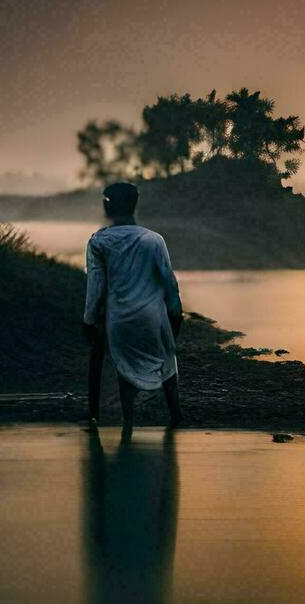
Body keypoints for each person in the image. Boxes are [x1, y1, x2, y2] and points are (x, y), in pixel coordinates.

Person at [84, 181, 184, 436]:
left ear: (108, 206)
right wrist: (176, 313)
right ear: (134, 204)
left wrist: (89, 320)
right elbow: (169, 282)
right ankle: (176, 415)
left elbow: (96, 286)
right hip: (153, 317)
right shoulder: (154, 240)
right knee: (168, 358)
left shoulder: (99, 241)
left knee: (117, 360)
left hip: (119, 320)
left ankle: (116, 420)